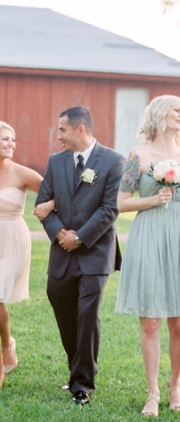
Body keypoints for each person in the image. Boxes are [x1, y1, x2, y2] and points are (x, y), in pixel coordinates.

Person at [115, 96, 180, 416]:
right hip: (148, 234)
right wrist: (153, 200)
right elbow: (122, 202)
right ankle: (153, 391)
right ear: (159, 114)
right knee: (151, 321)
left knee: (179, 322)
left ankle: (175, 385)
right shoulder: (137, 155)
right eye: (176, 109)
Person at [35, 106, 124, 405]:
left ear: (80, 130)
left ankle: (82, 383)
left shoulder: (113, 161)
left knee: (87, 314)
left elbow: (110, 209)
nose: (58, 136)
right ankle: (76, 369)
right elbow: (42, 203)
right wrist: (61, 233)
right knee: (61, 304)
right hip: (61, 249)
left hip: (96, 251)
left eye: (62, 130)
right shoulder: (56, 162)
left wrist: (81, 237)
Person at [0, 122, 47, 386]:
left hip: (12, 240)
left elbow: (55, 195)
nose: (11, 144)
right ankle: (7, 343)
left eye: (13, 139)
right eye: (5, 139)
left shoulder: (23, 173)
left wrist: (48, 204)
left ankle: (5, 349)